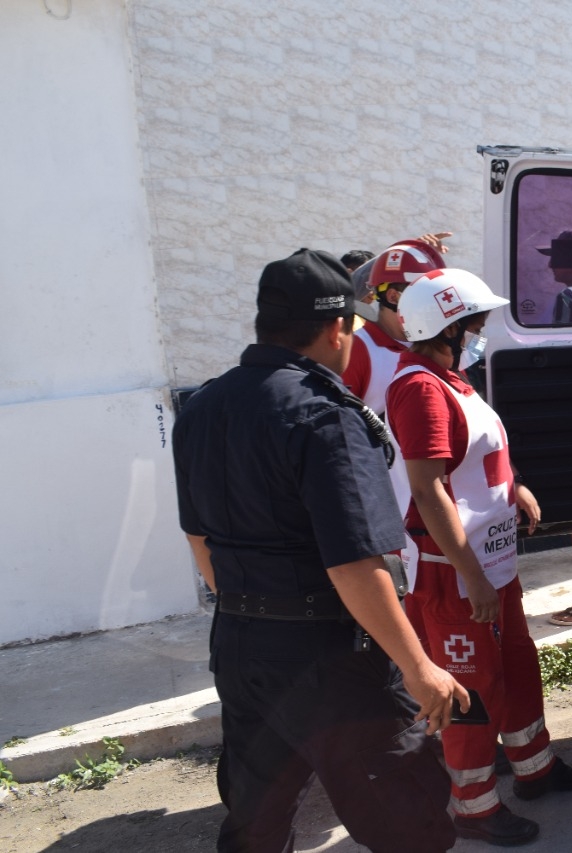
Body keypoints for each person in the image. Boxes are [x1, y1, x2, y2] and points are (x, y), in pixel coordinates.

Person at [172, 248, 467, 852]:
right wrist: (418, 667)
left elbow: (199, 536)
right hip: (332, 658)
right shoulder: (326, 416)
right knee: (408, 822)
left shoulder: (201, 406)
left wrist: (253, 612)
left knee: (257, 819)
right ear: (338, 330)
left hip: (241, 647)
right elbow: (357, 563)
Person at [386, 267, 572, 847]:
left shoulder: (452, 378)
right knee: (471, 693)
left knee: (518, 672)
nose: (482, 333)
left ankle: (534, 768)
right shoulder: (420, 389)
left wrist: (516, 485)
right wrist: (471, 576)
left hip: (489, 567)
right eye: (474, 325)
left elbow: (475, 457)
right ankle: (474, 807)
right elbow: (428, 489)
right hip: (457, 576)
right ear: (446, 328)